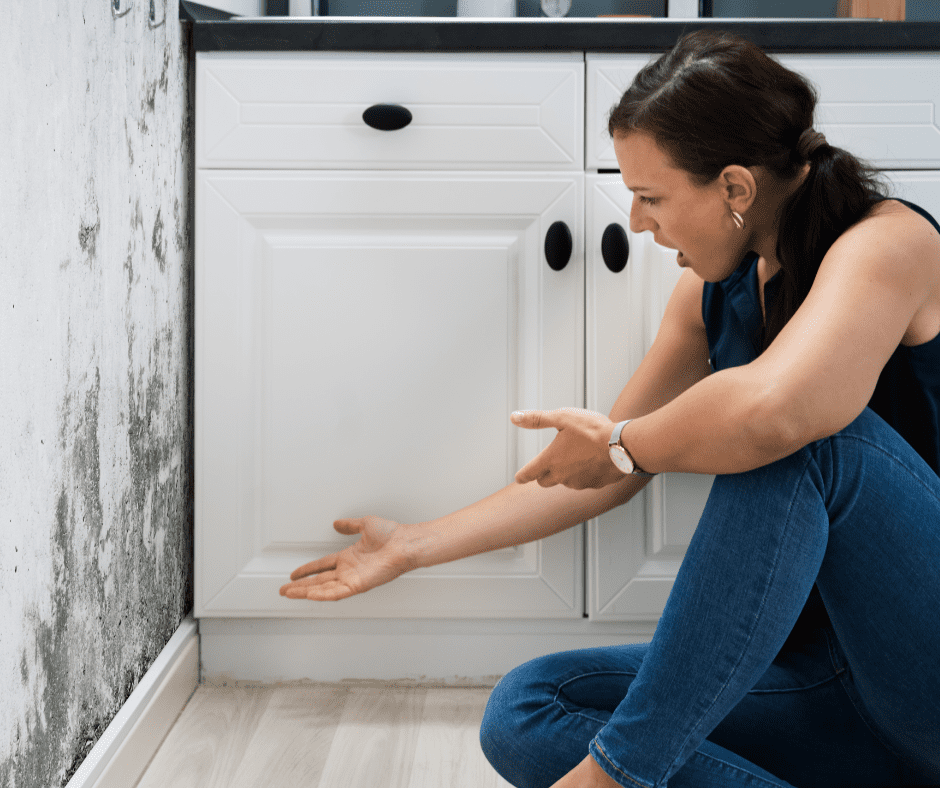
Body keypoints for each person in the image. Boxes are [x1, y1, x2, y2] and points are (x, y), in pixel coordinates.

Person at [279, 30, 940, 788]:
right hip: (827, 683)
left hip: (922, 673)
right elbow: (606, 466)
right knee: (532, 708)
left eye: (651, 196)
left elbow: (772, 415)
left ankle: (614, 778)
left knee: (804, 446)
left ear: (734, 188)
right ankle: (625, 770)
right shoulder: (710, 292)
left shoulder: (889, 243)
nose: (635, 221)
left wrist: (628, 442)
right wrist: (413, 546)